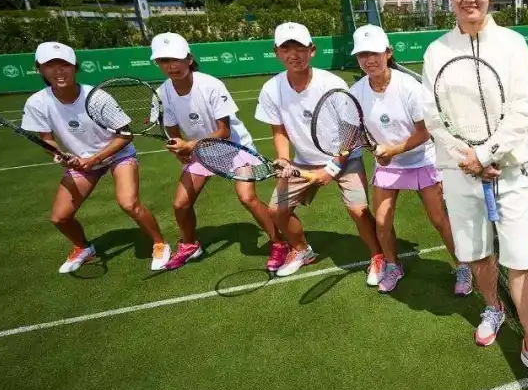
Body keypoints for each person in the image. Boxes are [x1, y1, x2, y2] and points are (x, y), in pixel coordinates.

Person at [420, 0, 528, 390]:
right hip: (461, 172)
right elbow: (433, 116)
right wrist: (468, 158)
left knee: (519, 261)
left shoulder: (514, 45)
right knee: (480, 255)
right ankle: (493, 307)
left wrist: (488, 153)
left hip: (511, 169)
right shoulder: (436, 51)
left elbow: (522, 109)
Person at [20, 41, 170, 273]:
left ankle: (160, 244)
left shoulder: (97, 97)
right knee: (60, 218)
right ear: (39, 69)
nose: (59, 71)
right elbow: (46, 139)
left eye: (65, 65)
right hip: (82, 161)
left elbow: (126, 135)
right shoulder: (37, 103)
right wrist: (59, 154)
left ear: (75, 67)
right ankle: (83, 248)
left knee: (129, 203)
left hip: (118, 155)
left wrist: (94, 159)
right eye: (51, 66)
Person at [254, 21, 384, 279]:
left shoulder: (331, 83)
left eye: (300, 48)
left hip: (345, 159)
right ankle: (302, 250)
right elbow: (279, 131)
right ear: (276, 52)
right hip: (303, 163)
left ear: (312, 50)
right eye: (286, 48)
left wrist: (333, 167)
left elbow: (351, 132)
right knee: (276, 210)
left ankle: (378, 256)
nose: (294, 54)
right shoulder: (272, 89)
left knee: (358, 210)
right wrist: (282, 160)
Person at [147, 32, 286, 271]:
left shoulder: (211, 85)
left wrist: (191, 145)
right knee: (181, 204)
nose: (172, 66)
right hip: (202, 151)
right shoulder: (162, 94)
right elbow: (173, 133)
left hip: (234, 147)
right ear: (157, 63)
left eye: (177, 59)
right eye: (164, 61)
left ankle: (279, 243)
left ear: (189, 59)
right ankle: (190, 245)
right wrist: (178, 148)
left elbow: (223, 131)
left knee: (247, 198)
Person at [348, 24, 466, 294]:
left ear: (388, 53)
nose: (369, 60)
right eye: (362, 55)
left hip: (422, 160)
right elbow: (355, 132)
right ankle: (392, 265)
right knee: (381, 221)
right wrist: (376, 151)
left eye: (375, 53)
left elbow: (425, 132)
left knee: (439, 219)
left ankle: (463, 266)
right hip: (388, 165)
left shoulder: (409, 87)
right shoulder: (356, 92)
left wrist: (394, 150)